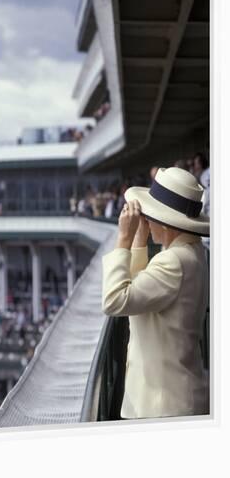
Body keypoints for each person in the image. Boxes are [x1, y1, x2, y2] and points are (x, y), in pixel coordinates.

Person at [101, 166, 209, 419]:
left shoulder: (173, 261)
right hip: (175, 399)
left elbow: (114, 300)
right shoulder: (191, 253)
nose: (146, 219)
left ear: (167, 221)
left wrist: (124, 240)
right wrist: (140, 240)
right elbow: (141, 294)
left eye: (151, 215)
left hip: (163, 406)